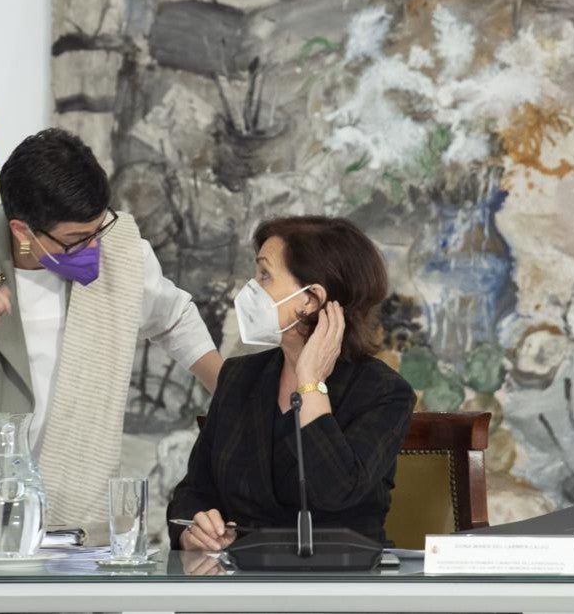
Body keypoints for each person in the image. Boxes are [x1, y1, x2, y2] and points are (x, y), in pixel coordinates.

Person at [0, 127, 222, 552]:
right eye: (76, 240)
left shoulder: (120, 248)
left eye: (98, 231)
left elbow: (173, 319)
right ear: (22, 230)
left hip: (74, 516)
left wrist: (231, 396)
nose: (93, 248)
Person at [168, 216, 415, 552]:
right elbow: (192, 492)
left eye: (264, 275)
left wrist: (310, 384)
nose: (251, 288)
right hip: (243, 585)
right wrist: (193, 529)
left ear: (310, 299)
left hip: (343, 589)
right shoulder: (239, 376)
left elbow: (335, 491)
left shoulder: (384, 392)